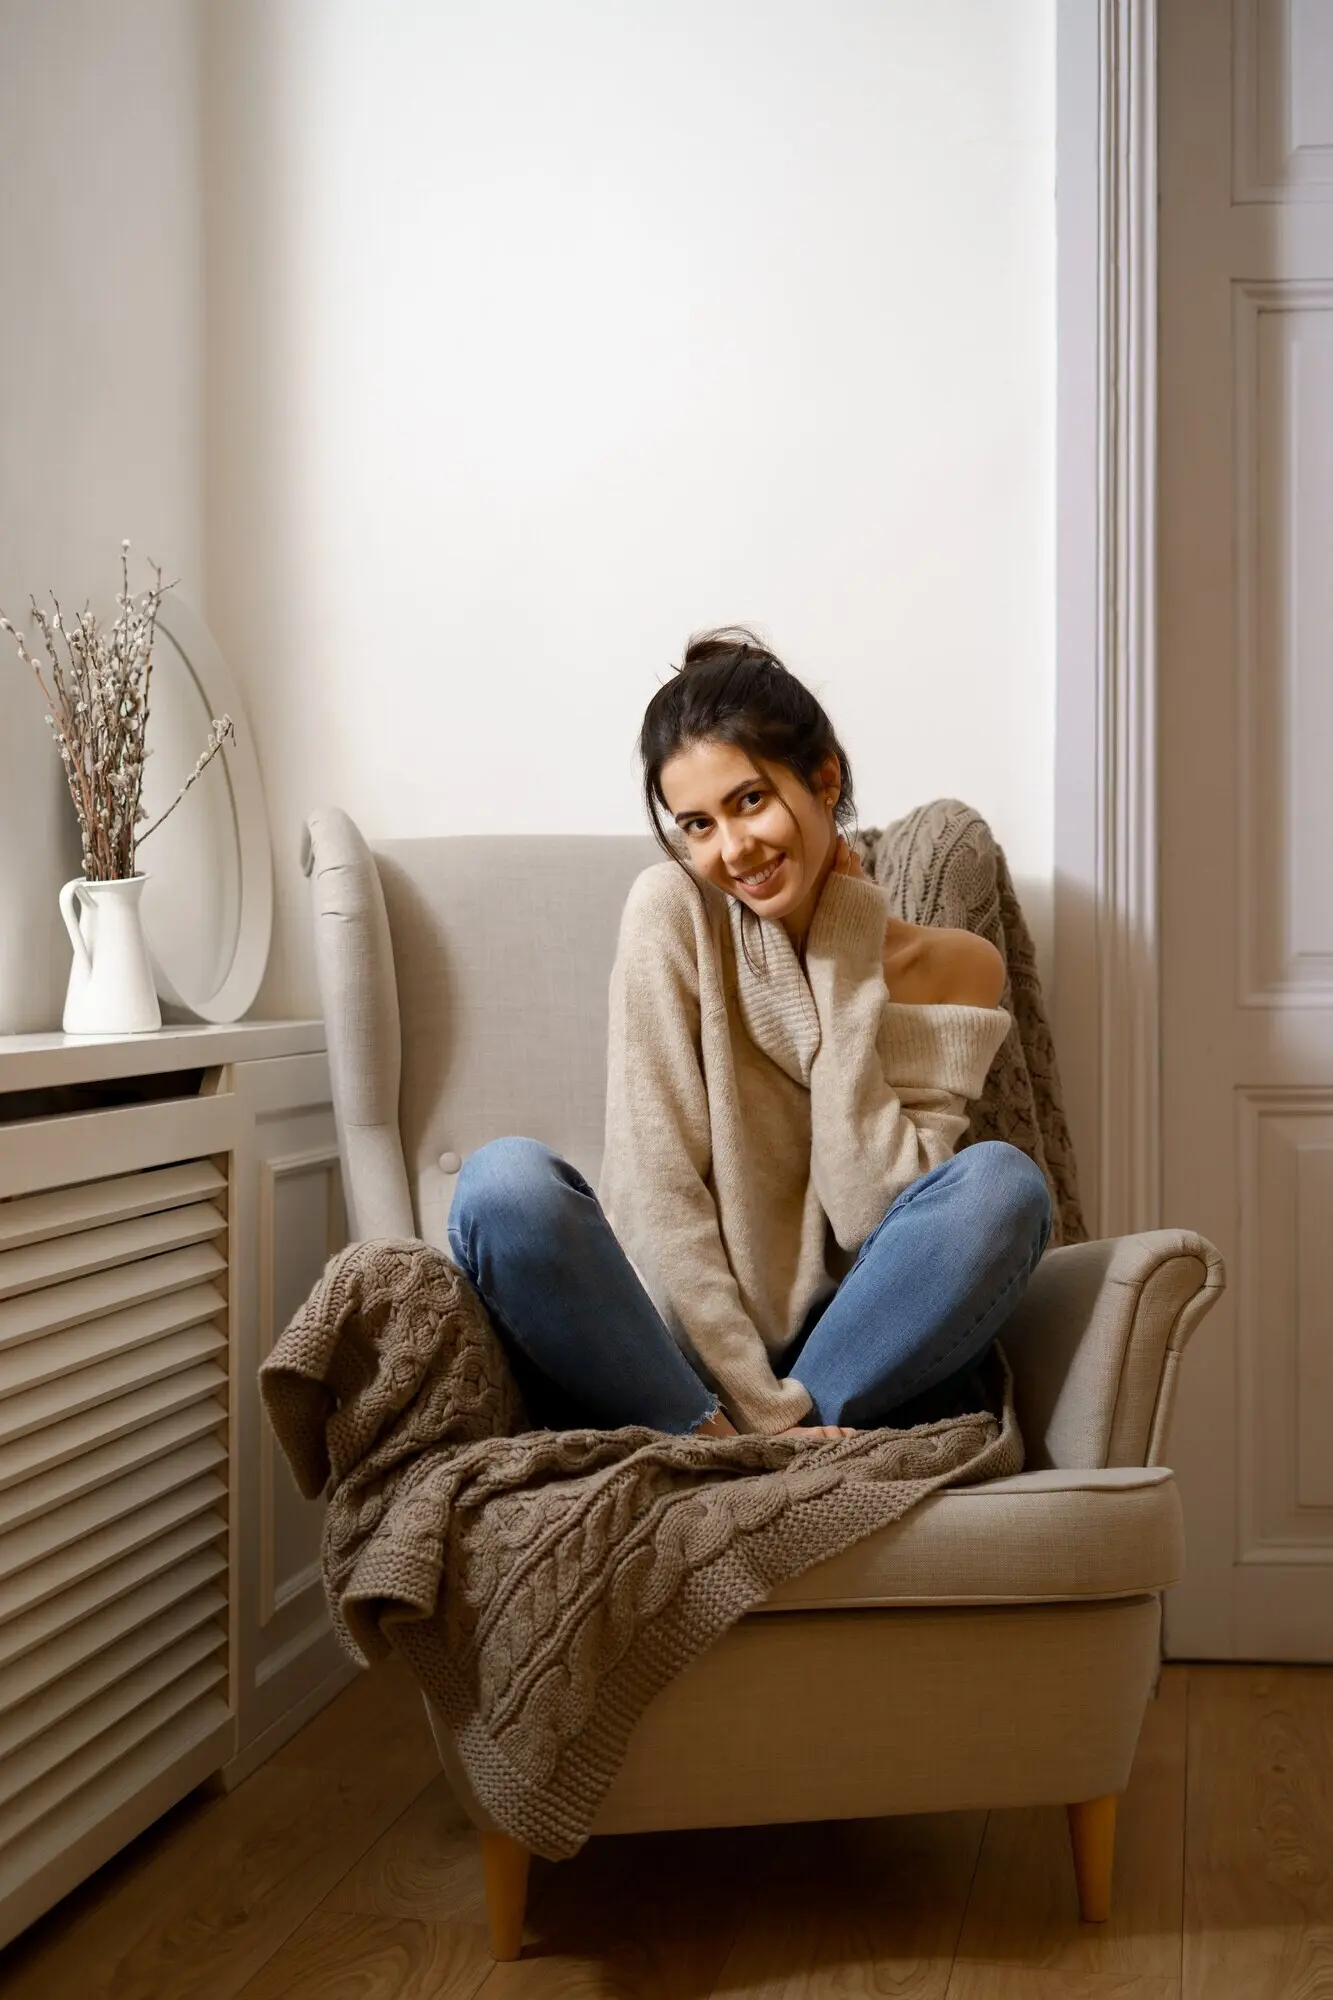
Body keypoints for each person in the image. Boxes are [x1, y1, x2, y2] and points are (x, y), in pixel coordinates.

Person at [447, 628, 1052, 1441]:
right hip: (672, 1358)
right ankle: (731, 1444)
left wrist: (841, 962)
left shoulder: (957, 967)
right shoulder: (671, 909)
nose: (732, 850)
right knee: (502, 1185)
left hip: (846, 1349)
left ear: (824, 778)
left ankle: (743, 1456)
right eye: (696, 824)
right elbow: (656, 1189)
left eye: (749, 801)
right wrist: (754, 1412)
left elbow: (871, 1211)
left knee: (1001, 1187)